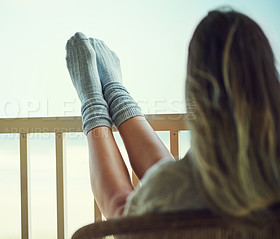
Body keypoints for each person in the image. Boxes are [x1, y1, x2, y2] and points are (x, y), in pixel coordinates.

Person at [65, 8, 280, 220]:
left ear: (196, 92)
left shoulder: (185, 189)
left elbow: (122, 213)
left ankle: (99, 100)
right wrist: (115, 93)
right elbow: (170, 178)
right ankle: (116, 93)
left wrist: (92, 101)